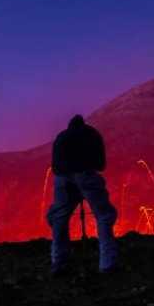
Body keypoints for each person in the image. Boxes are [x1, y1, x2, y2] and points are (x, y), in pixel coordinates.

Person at [46, 115, 119, 276]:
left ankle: (58, 261)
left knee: (59, 217)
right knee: (105, 215)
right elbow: (101, 164)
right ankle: (107, 263)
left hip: (62, 178)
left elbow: (56, 167)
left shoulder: (62, 137)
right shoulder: (92, 135)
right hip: (86, 176)